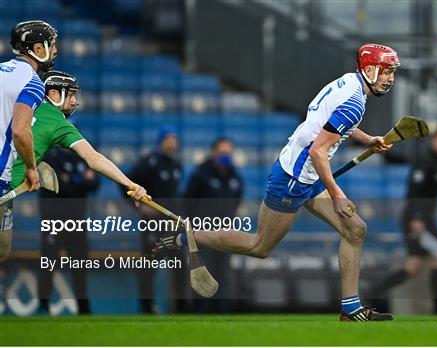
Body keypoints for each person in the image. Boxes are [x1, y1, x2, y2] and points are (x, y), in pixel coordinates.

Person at [155, 43, 399, 321]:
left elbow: (329, 122)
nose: (390, 78)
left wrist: (367, 140)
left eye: (392, 72)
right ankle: (187, 237)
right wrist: (336, 193)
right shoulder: (354, 103)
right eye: (386, 72)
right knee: (259, 247)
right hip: (294, 179)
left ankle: (351, 308)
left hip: (308, 174)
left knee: (355, 230)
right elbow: (318, 151)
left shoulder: (349, 84)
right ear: (369, 69)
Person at [8, 70, 149, 261]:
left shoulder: (19, 103)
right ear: (53, 94)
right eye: (70, 94)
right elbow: (94, 159)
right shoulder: (58, 123)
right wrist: (130, 184)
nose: (74, 101)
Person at [370, 124, 437, 314]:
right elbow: (415, 191)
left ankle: (374, 293)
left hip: (427, 218)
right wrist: (417, 218)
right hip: (414, 216)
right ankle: (373, 294)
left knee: (418, 265)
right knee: (421, 263)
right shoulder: (424, 159)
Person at [0, 20, 59, 262]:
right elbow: (21, 132)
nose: (55, 50)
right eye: (51, 44)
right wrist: (32, 169)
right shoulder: (33, 83)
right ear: (37, 49)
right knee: (2, 250)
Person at [127, 124, 183, 313]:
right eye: (169, 139)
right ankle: (147, 306)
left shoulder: (176, 164)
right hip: (152, 224)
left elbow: (173, 195)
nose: (172, 143)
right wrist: (140, 207)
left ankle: (181, 308)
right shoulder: (147, 163)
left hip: (171, 224)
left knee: (180, 265)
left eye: (174, 139)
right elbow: (126, 184)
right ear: (161, 141)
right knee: (148, 265)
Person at [184, 137, 243, 313]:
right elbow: (187, 202)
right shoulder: (200, 175)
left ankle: (222, 312)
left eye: (228, 153)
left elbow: (236, 202)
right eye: (222, 152)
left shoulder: (235, 178)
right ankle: (200, 312)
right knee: (204, 272)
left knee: (224, 273)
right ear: (214, 153)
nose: (226, 156)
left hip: (226, 234)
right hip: (204, 234)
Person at [38, 147, 100, 314]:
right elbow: (56, 184)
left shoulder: (81, 157)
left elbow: (95, 183)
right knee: (48, 264)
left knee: (80, 266)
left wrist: (72, 180)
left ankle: (83, 308)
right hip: (53, 220)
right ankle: (43, 305)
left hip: (77, 220)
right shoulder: (50, 156)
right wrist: (81, 180)